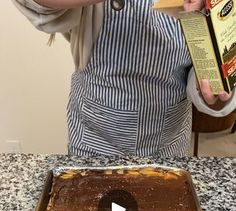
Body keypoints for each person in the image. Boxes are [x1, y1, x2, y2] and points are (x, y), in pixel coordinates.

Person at [13, 0, 236, 157]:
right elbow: (35, 5)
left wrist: (214, 89)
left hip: (168, 141)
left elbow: (212, 80)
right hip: (96, 142)